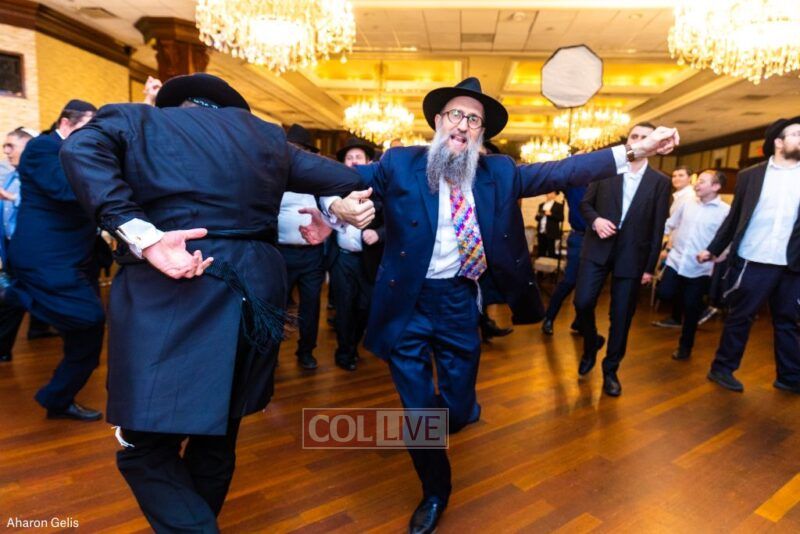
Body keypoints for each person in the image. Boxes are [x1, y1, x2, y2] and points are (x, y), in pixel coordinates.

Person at [318, 78, 679, 533]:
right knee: (418, 412)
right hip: (406, 303)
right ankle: (435, 490)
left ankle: (442, 420)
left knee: (458, 407)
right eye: (456, 114)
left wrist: (636, 150)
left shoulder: (501, 172)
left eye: (474, 120)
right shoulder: (400, 163)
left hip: (458, 302)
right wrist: (334, 209)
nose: (463, 125)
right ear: (437, 121)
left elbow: (564, 170)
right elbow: (340, 179)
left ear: (481, 133)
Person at [59, 73, 369, 532]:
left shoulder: (141, 120)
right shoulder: (266, 137)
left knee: (144, 446)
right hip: (256, 286)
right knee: (219, 437)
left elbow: (78, 148)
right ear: (233, 111)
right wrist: (331, 210)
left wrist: (142, 233)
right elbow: (348, 177)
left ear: (175, 105)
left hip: (175, 282)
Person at [0, 101, 106, 421]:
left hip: (73, 259)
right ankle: (15, 295)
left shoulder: (78, 152)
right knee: (90, 320)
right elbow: (66, 191)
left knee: (84, 336)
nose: (93, 137)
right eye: (88, 128)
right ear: (65, 124)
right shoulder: (42, 148)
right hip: (46, 259)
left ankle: (57, 398)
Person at [698, 116, 800, 394]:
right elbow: (734, 219)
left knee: (788, 320)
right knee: (741, 316)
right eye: (796, 134)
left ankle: (790, 377)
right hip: (755, 258)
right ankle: (722, 368)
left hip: (792, 263)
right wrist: (713, 249)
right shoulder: (750, 176)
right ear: (778, 142)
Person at [573, 122, 672, 397]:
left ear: (655, 143)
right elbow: (585, 204)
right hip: (597, 248)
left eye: (644, 137)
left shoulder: (661, 182)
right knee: (582, 303)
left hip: (633, 256)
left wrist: (649, 268)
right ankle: (591, 343)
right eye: (634, 136)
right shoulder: (607, 170)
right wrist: (595, 221)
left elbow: (657, 227)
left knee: (621, 316)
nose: (638, 140)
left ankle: (611, 369)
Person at [658, 170, 730, 360]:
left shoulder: (725, 211)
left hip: (699, 268)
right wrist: (655, 238)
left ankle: (685, 347)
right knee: (664, 293)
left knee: (691, 310)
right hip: (676, 260)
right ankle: (701, 306)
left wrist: (715, 256)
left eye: (703, 182)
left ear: (716, 187)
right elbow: (670, 224)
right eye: (697, 181)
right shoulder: (687, 203)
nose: (696, 184)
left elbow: (727, 240)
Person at [277, 124, 330, 370]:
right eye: (292, 148)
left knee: (311, 306)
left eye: (301, 149)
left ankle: (306, 351)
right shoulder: (276, 178)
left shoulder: (318, 183)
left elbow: (332, 214)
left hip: (312, 255)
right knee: (277, 305)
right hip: (281, 254)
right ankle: (271, 353)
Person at [328, 137, 383, 370]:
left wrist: (378, 234)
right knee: (343, 308)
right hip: (342, 259)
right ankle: (345, 352)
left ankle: (352, 344)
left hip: (368, 261)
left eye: (358, 157)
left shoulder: (380, 190)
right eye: (349, 158)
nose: (353, 161)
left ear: (369, 162)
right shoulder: (332, 189)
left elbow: (395, 223)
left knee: (364, 308)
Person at [653, 165, 697, 328]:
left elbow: (680, 226)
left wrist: (667, 248)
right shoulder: (679, 196)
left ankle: (690, 314)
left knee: (670, 287)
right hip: (676, 245)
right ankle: (678, 317)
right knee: (675, 286)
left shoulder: (689, 197)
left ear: (690, 178)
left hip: (682, 247)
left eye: (681, 175)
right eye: (674, 176)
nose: (676, 178)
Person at [541, 184, 588, 335]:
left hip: (598, 240)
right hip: (579, 237)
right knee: (569, 281)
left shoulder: (602, 183)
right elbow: (554, 179)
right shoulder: (574, 183)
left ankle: (580, 321)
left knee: (589, 284)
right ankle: (549, 318)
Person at [535, 191, 564, 258]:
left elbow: (561, 218)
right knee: (541, 251)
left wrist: (551, 214)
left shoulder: (558, 205)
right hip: (541, 231)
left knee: (551, 251)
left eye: (551, 193)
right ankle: (540, 263)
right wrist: (539, 215)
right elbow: (537, 218)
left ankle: (550, 263)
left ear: (555, 195)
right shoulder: (541, 205)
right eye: (548, 192)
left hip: (551, 232)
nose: (549, 194)